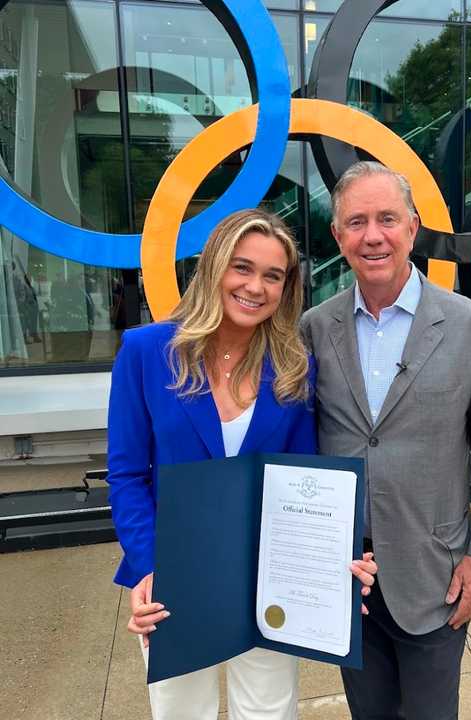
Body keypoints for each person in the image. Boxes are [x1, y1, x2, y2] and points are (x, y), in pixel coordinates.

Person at [106, 209, 377, 720]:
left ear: (286, 287)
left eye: (272, 276)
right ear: (214, 268)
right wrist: (149, 565)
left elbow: (307, 483)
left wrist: (333, 562)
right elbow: (125, 476)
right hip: (179, 573)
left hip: (269, 573)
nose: (256, 286)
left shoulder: (295, 366)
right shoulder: (146, 352)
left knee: (270, 712)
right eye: (242, 267)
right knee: (182, 712)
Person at [301, 162, 471, 720]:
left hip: (436, 577)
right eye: (356, 222)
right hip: (347, 576)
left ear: (413, 227)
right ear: (338, 236)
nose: (372, 235)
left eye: (387, 219)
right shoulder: (313, 328)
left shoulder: (469, 324)